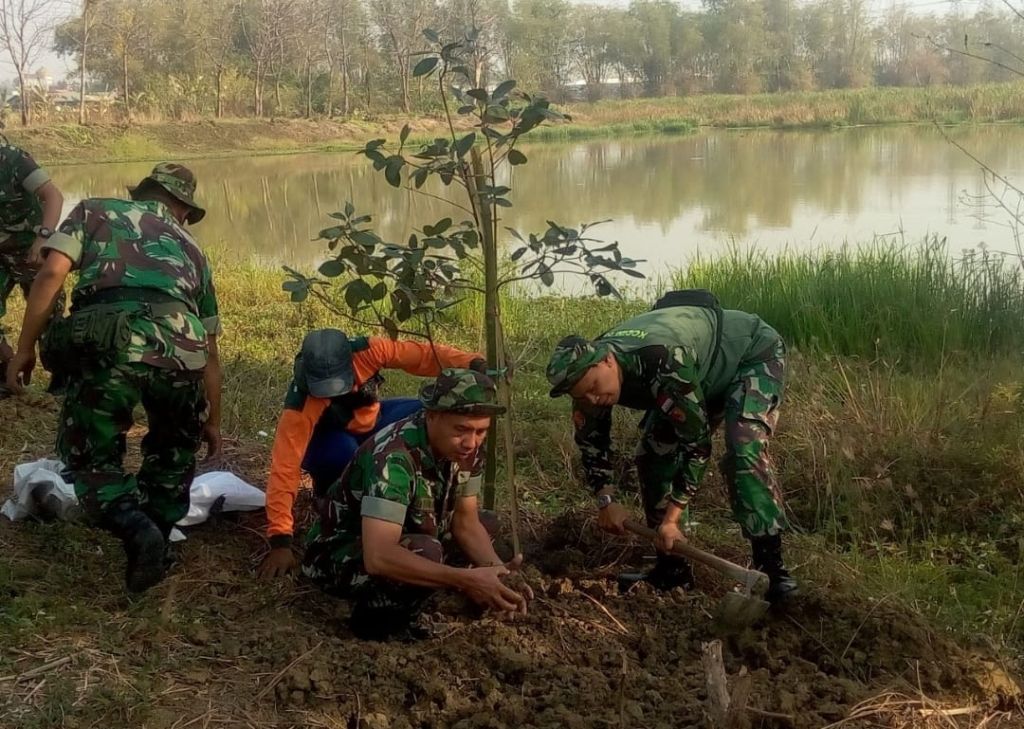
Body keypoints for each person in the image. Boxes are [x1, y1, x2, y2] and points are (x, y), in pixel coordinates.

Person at [5, 162, 222, 593]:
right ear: (182, 208)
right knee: (173, 453)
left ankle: (137, 529)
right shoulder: (195, 252)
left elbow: (50, 273)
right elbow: (212, 354)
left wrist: (25, 348)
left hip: (110, 344)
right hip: (183, 351)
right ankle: (157, 534)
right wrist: (213, 420)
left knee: (91, 458)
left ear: (143, 193)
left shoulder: (94, 210)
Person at [545, 290, 798, 602]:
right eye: (583, 397)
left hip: (748, 356)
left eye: (595, 389)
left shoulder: (660, 360)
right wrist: (605, 499)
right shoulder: (585, 379)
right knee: (652, 456)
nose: (593, 400)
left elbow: (697, 445)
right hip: (695, 375)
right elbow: (591, 444)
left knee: (744, 447)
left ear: (608, 359)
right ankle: (672, 571)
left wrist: (671, 519)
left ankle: (772, 571)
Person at [302, 368, 532, 641]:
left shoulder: (467, 449)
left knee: (487, 522)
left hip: (405, 530)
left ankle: (444, 582)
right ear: (432, 416)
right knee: (427, 551)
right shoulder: (394, 457)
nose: (471, 442)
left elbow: (466, 522)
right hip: (338, 554)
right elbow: (379, 556)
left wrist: (501, 575)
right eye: (461, 430)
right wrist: (465, 579)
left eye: (481, 431)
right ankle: (379, 624)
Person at [257, 328, 485, 578]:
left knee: (427, 416)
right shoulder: (300, 405)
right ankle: (340, 503)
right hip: (330, 442)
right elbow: (284, 469)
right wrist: (280, 540)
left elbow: (422, 356)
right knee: (345, 454)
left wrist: (471, 363)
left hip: (372, 423)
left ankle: (414, 490)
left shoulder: (370, 350)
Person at [0, 141, 65, 389]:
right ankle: (5, 372)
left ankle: (62, 382)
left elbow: (53, 196)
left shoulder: (13, 159)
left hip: (30, 251)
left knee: (50, 316)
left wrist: (44, 237)